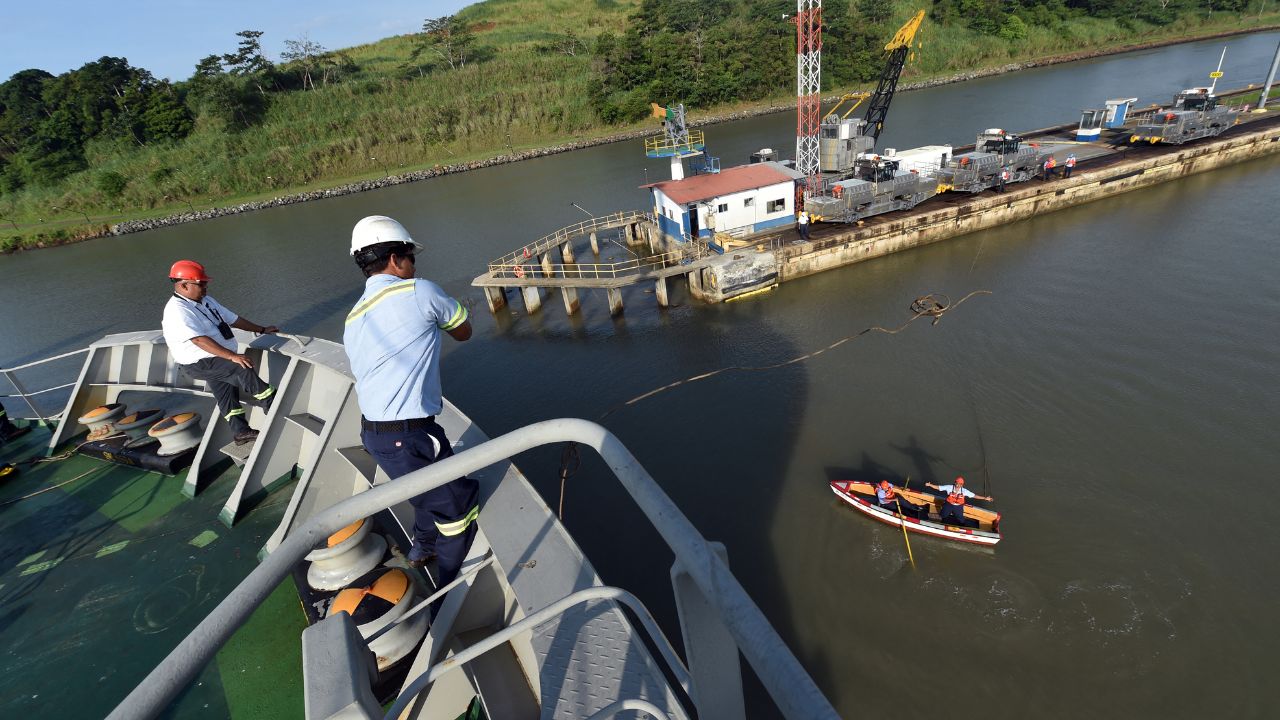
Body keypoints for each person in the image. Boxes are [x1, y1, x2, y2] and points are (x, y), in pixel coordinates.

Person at [343, 215, 478, 585]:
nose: (414, 266)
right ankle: (447, 591)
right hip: (410, 435)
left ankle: (421, 547)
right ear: (395, 259)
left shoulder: (353, 316)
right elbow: (464, 331)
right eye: (411, 257)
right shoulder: (419, 291)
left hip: (374, 434)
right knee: (459, 512)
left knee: (421, 488)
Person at [162, 260, 278, 445]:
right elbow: (199, 340)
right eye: (201, 283)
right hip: (199, 361)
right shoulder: (177, 310)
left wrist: (262, 329)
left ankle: (241, 433)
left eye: (205, 282)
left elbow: (234, 319)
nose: (206, 287)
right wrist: (232, 356)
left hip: (213, 358)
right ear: (184, 285)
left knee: (226, 393)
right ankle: (273, 405)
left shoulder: (205, 301)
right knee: (241, 368)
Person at [925, 476, 993, 526]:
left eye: (960, 484)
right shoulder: (949, 487)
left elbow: (974, 496)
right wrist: (930, 485)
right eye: (957, 483)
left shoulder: (964, 491)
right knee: (943, 515)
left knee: (960, 518)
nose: (958, 485)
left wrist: (985, 498)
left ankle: (962, 526)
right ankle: (941, 521)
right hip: (949, 504)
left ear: (962, 485)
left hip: (958, 507)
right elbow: (939, 487)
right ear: (955, 482)